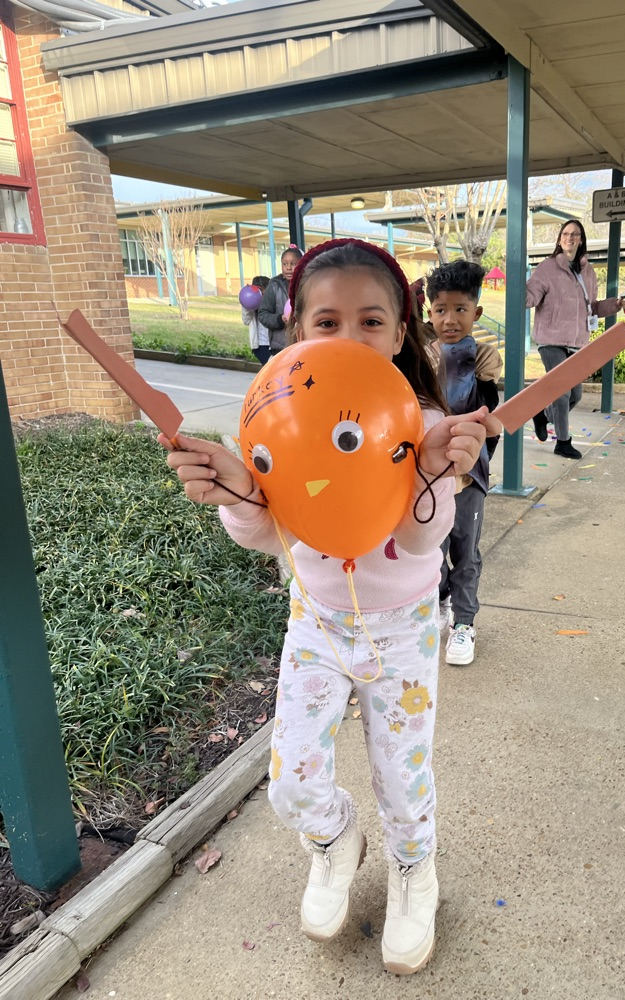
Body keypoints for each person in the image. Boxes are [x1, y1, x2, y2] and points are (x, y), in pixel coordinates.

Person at [159, 239, 500, 976]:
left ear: (402, 332)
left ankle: (416, 873)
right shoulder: (275, 412)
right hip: (315, 621)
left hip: (403, 632)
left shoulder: (425, 422)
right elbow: (270, 533)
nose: (350, 339)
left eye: (372, 321)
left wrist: (435, 472)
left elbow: (416, 546)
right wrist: (234, 493)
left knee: (402, 780)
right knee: (292, 781)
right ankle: (335, 842)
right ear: (297, 331)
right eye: (327, 322)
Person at [426, 259, 502, 666]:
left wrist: (480, 463)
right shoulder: (421, 356)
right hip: (430, 476)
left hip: (469, 474)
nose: (449, 319)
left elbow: (491, 416)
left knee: (465, 550)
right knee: (432, 548)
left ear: (476, 312)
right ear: (429, 313)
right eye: (440, 310)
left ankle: (465, 623)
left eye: (459, 310)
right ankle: (439, 603)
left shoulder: (485, 356)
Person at [526, 219, 623, 459]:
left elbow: (592, 307)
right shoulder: (547, 268)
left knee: (575, 396)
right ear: (560, 239)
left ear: (581, 240)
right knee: (561, 393)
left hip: (578, 342)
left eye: (575, 234)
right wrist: (519, 287)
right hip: (551, 340)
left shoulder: (587, 272)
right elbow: (531, 297)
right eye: (566, 234)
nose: (570, 238)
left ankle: (542, 415)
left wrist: (616, 305)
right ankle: (563, 442)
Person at [257, 245, 303, 356]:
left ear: (301, 264)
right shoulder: (274, 285)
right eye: (285, 264)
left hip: (303, 346)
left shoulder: (308, 284)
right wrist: (280, 319)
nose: (288, 268)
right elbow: (263, 315)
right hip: (279, 349)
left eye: (293, 264)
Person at [240, 275, 271, 365]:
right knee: (269, 368)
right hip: (260, 345)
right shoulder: (250, 304)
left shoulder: (271, 302)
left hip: (272, 343)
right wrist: (246, 307)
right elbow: (246, 321)